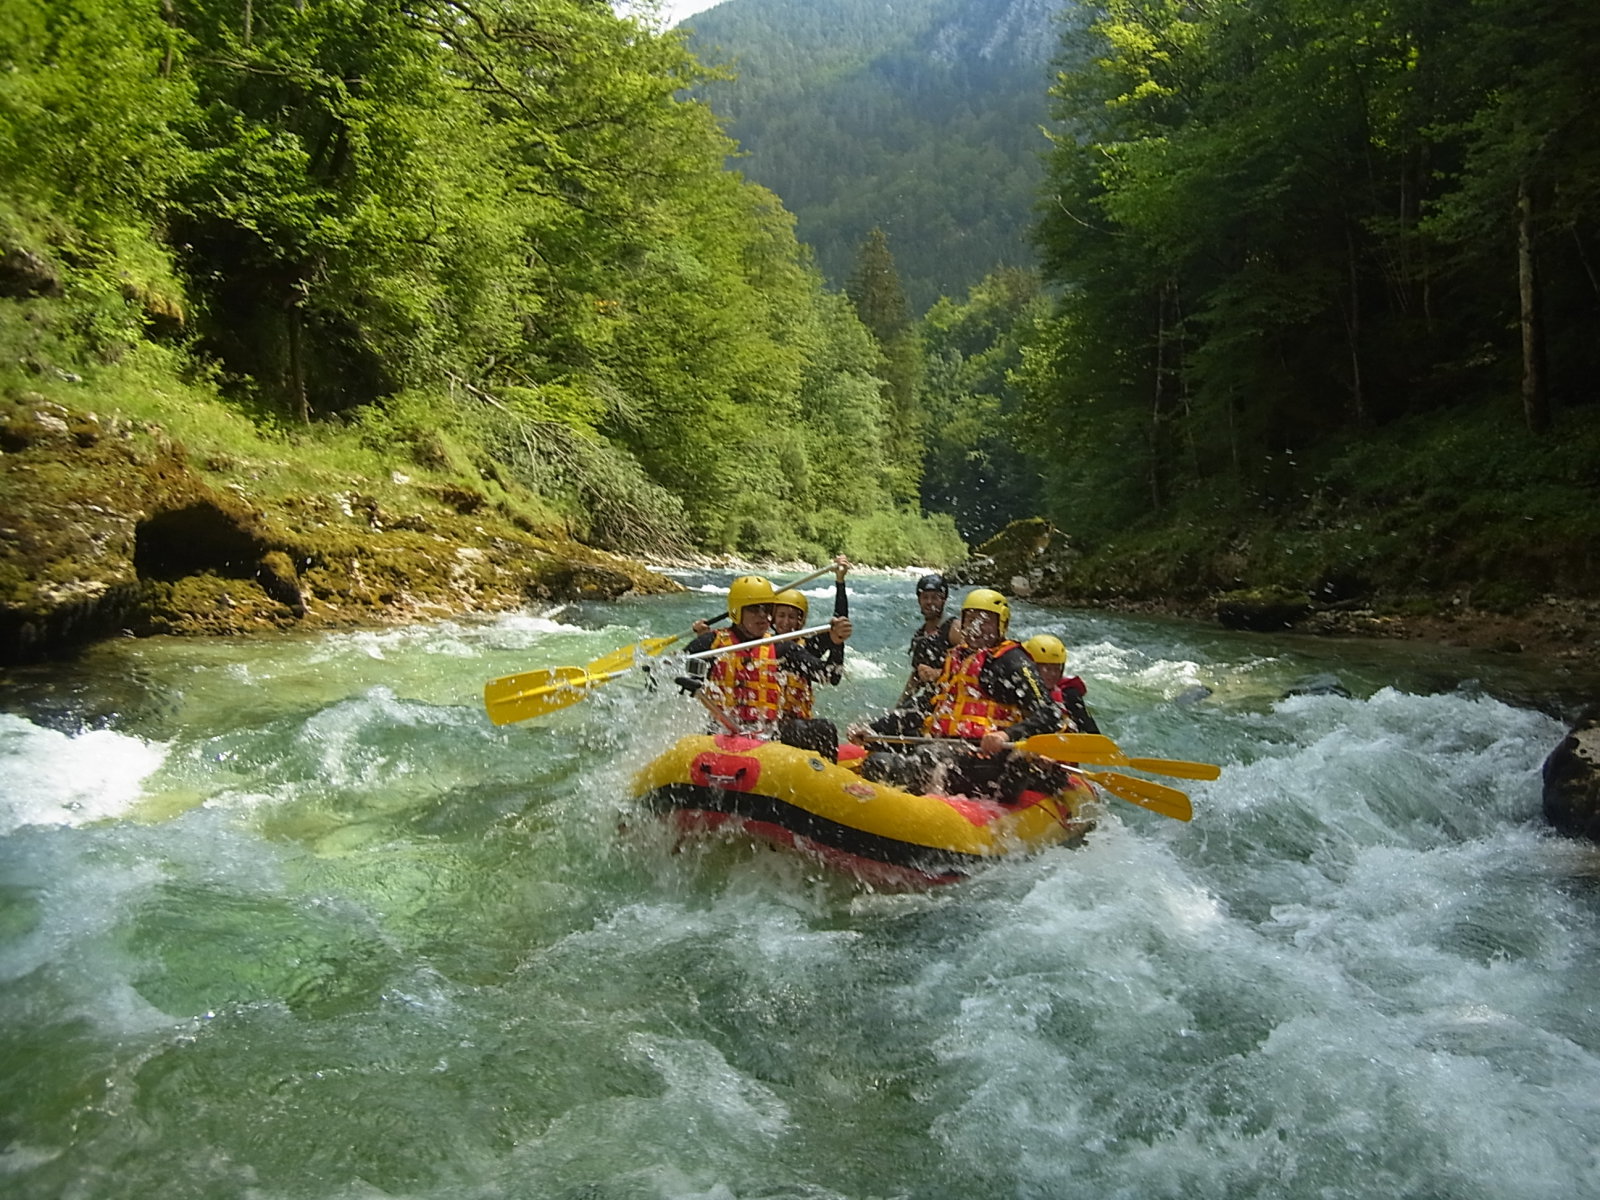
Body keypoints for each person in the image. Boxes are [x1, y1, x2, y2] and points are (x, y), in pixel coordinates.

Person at [850, 587, 1059, 803]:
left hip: (987, 759)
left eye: (986, 621)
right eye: (971, 619)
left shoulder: (1013, 661)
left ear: (1001, 624)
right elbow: (926, 704)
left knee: (898, 763)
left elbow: (1049, 713)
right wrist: (874, 729)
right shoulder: (957, 658)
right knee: (881, 751)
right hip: (949, 749)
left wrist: (1006, 735)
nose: (977, 627)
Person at [681, 574, 851, 759]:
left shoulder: (782, 648)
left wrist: (837, 642)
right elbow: (673, 671)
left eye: (767, 609)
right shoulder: (710, 643)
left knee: (822, 728)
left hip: (767, 734)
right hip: (721, 731)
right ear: (737, 611)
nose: (763, 615)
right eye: (755, 609)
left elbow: (828, 675)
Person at [772, 557, 851, 721]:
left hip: (796, 723)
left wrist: (840, 581)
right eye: (781, 615)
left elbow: (838, 626)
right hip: (766, 721)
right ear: (772, 618)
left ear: (801, 621)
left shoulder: (808, 646)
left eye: (792, 617)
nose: (786, 622)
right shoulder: (761, 644)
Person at [899, 572, 961, 706]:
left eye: (935, 598)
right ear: (919, 600)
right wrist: (899, 706)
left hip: (954, 701)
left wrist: (939, 673)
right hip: (931, 701)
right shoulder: (920, 636)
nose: (929, 602)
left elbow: (975, 663)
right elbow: (915, 678)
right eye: (925, 597)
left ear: (944, 600)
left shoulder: (954, 629)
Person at [1021, 634, 1101, 735]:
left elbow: (1091, 731)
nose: (1053, 674)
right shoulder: (1019, 690)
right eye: (1047, 668)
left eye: (1056, 668)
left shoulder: (1069, 694)